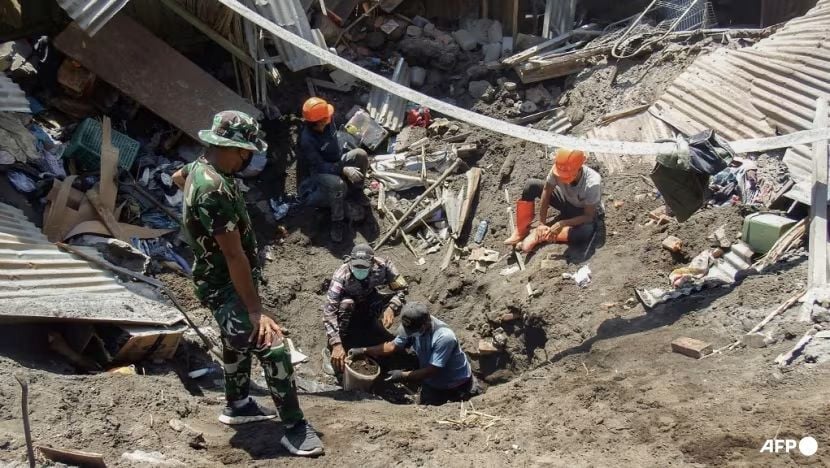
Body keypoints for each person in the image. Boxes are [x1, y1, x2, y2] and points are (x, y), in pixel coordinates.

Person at [172, 110, 323, 457]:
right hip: (223, 284)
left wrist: (196, 227)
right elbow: (234, 255)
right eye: (247, 153)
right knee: (271, 345)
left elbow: (177, 178)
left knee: (236, 340)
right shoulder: (214, 190)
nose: (248, 159)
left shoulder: (198, 168)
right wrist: (255, 311)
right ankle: (295, 429)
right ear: (232, 148)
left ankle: (237, 403)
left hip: (215, 277)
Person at [348, 302, 480, 406]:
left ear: (424, 325)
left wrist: (402, 375)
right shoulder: (414, 327)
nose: (408, 333)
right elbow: (392, 346)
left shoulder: (444, 337)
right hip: (432, 383)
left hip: (456, 384)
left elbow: (432, 370)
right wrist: (364, 350)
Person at [322, 244, 408, 374]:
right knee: (347, 304)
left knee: (395, 302)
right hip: (349, 304)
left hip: (369, 298)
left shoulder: (384, 266)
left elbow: (402, 289)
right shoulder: (341, 274)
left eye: (364, 267)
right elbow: (329, 310)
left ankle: (372, 326)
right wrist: (336, 343)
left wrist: (391, 307)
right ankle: (335, 346)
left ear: (372, 262)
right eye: (356, 266)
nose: (359, 270)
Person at [298, 97, 370, 242]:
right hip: (317, 174)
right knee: (338, 184)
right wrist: (343, 170)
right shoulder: (307, 140)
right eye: (326, 116)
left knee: (360, 155)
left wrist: (342, 162)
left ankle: (357, 191)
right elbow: (319, 166)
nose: (330, 117)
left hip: (335, 162)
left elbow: (335, 142)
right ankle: (337, 220)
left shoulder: (328, 123)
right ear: (318, 122)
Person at [504, 148, 602, 252]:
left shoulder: (592, 183)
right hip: (566, 200)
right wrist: (541, 223)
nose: (562, 178)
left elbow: (588, 216)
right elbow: (546, 192)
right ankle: (521, 231)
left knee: (584, 233)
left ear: (578, 169)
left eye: (566, 176)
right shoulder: (559, 168)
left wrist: (562, 223)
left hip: (582, 212)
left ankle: (545, 235)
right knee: (531, 185)